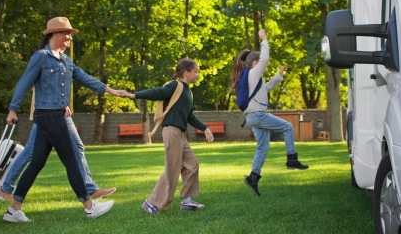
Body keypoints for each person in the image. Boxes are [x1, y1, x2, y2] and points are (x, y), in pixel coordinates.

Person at [3, 16, 121, 222]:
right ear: (55, 34)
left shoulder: (65, 59)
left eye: (70, 34)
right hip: (48, 115)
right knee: (72, 158)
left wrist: (111, 90)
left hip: (56, 114)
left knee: (37, 162)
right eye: (67, 34)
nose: (69, 38)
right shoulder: (40, 57)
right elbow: (24, 83)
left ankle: (14, 210)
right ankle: (89, 206)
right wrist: (13, 109)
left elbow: (84, 77)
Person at [121, 58, 215, 214]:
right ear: (186, 73)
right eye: (195, 71)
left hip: (180, 134)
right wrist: (133, 96)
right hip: (171, 131)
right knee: (172, 169)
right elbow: (157, 92)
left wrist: (205, 128)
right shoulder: (175, 86)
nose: (197, 75)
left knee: (192, 164)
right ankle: (152, 203)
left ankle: (187, 201)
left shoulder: (188, 92)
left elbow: (190, 116)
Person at [229, 29, 309, 197]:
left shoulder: (252, 77)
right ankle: (292, 159)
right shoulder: (254, 71)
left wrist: (279, 74)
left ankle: (253, 177)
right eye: (261, 62)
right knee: (287, 127)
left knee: (263, 147)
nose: (264, 64)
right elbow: (265, 58)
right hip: (257, 115)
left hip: (252, 117)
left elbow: (266, 89)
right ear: (256, 62)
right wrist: (264, 39)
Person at [0, 119, 116, 202]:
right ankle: (6, 188)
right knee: (30, 152)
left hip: (60, 112)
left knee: (77, 148)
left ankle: (90, 188)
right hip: (48, 113)